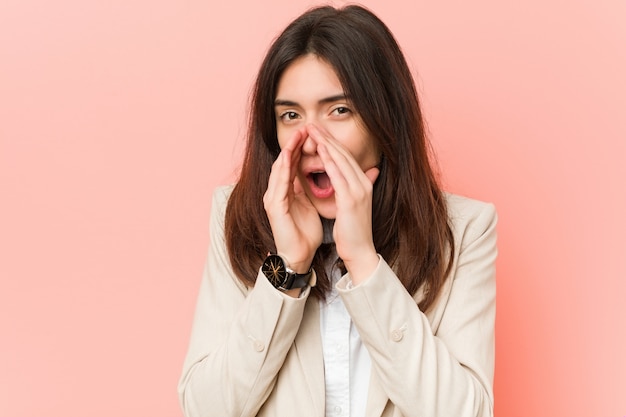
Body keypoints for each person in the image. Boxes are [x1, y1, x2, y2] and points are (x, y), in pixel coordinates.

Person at [178, 4, 497, 417]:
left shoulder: (466, 230)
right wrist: (287, 267)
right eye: (290, 115)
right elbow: (206, 409)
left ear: (386, 121)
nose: (311, 140)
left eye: (339, 110)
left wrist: (364, 263)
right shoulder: (235, 215)